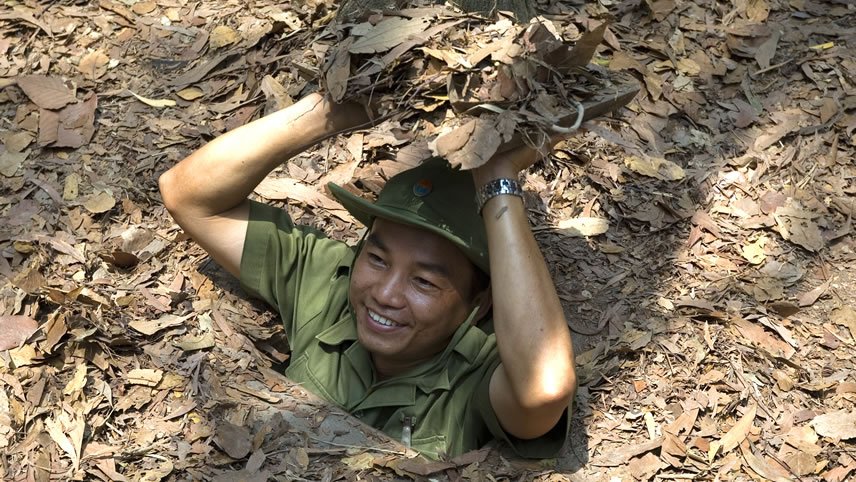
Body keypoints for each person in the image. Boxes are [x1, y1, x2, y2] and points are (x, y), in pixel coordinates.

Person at [158, 92, 577, 459]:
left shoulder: (478, 372)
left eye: (424, 282)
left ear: (480, 301)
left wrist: (497, 177)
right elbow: (188, 195)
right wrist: (336, 109)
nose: (385, 294)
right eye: (377, 259)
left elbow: (545, 388)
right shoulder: (328, 282)